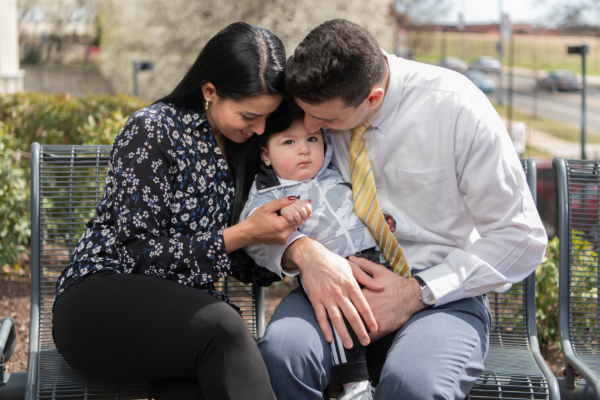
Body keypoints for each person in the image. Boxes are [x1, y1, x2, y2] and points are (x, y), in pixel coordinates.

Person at [257, 19, 548, 400]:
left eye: (327, 121)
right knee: (281, 356)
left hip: (442, 294)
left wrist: (415, 292)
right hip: (339, 281)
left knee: (414, 385)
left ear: (373, 98)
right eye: (306, 114)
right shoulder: (319, 107)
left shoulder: (456, 107)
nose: (311, 129)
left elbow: (521, 237)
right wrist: (303, 252)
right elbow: (259, 211)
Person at [52, 22, 300, 400]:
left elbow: (243, 266)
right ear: (209, 91)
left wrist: (287, 240)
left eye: (268, 116)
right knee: (225, 328)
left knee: (196, 386)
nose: (260, 128)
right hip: (100, 303)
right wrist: (243, 233)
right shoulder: (153, 131)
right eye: (249, 116)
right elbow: (136, 255)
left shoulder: (245, 150)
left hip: (180, 325)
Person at [240, 110, 400, 400]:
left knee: (380, 323)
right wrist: (283, 213)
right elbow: (253, 222)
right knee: (340, 318)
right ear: (266, 155)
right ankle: (356, 385)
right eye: (288, 142)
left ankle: (380, 378)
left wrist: (382, 220)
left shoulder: (332, 174)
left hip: (375, 262)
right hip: (330, 274)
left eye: (312, 139)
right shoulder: (270, 193)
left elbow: (360, 205)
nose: (304, 149)